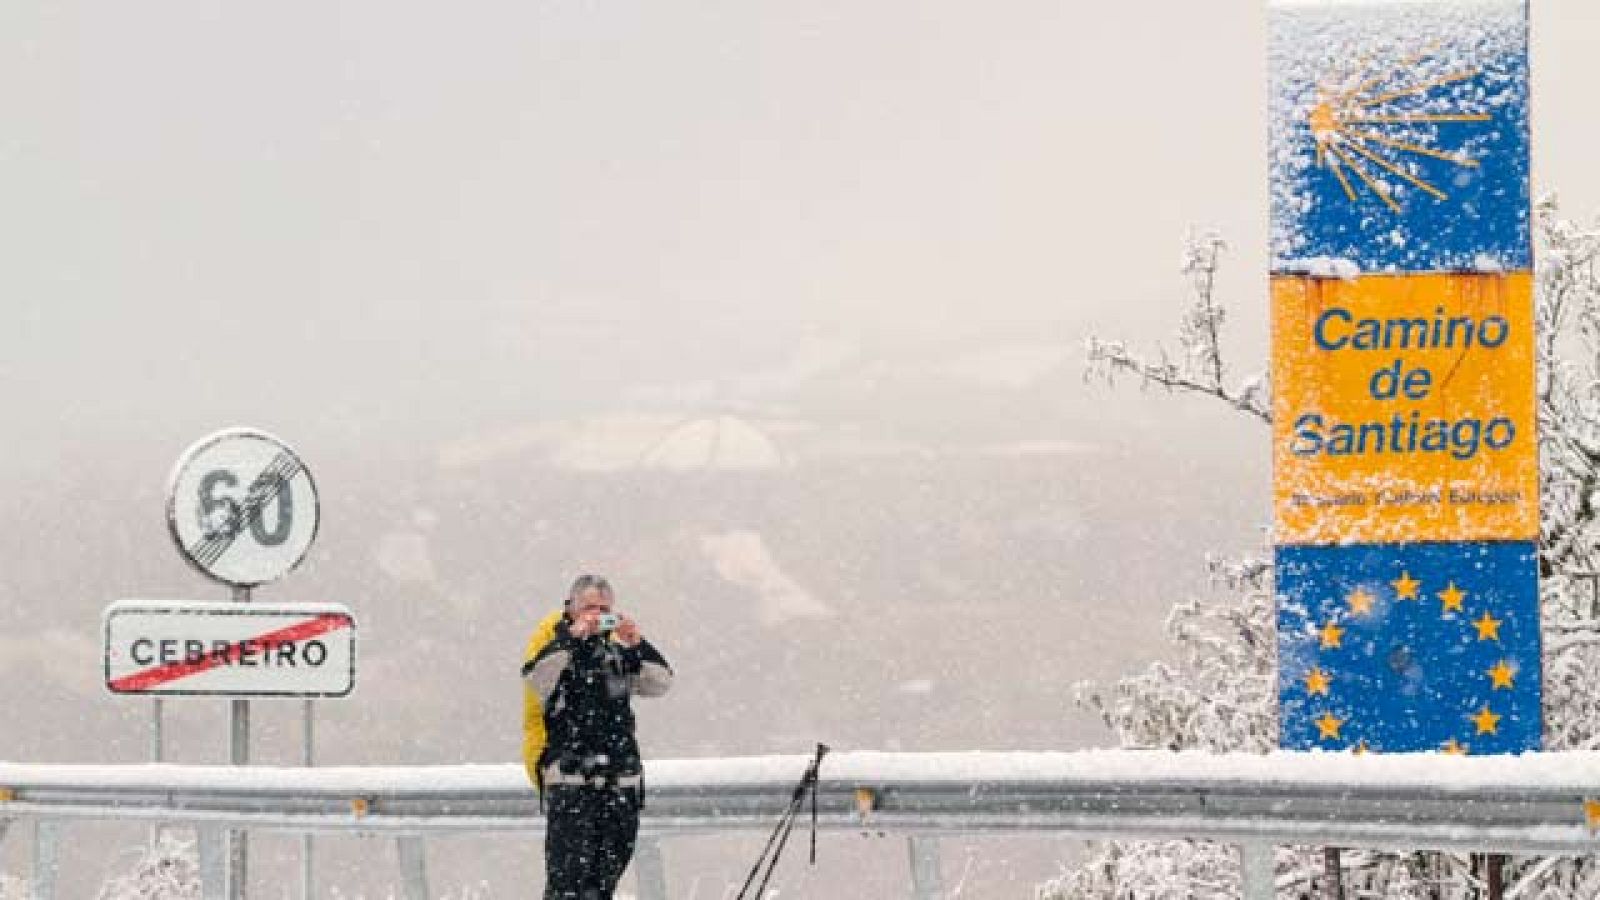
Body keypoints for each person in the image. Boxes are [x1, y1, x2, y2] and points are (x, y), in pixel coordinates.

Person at [521, 575, 674, 900]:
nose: (597, 615)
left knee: (603, 887)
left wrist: (635, 643)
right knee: (567, 888)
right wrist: (572, 638)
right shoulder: (557, 646)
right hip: (572, 786)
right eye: (589, 608)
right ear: (571, 609)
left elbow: (660, 683)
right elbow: (537, 679)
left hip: (620, 785)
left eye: (604, 609)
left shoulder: (616, 654)